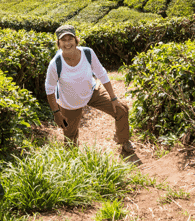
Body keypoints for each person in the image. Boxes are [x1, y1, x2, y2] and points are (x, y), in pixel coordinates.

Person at [45, 24, 134, 154]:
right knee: (70, 137)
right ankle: (72, 159)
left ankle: (124, 140)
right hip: (70, 102)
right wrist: (56, 113)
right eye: (63, 40)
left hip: (91, 91)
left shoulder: (87, 53)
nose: (67, 43)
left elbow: (101, 73)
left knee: (121, 109)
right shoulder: (55, 64)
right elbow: (49, 89)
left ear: (76, 40)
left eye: (70, 39)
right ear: (58, 43)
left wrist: (113, 97)